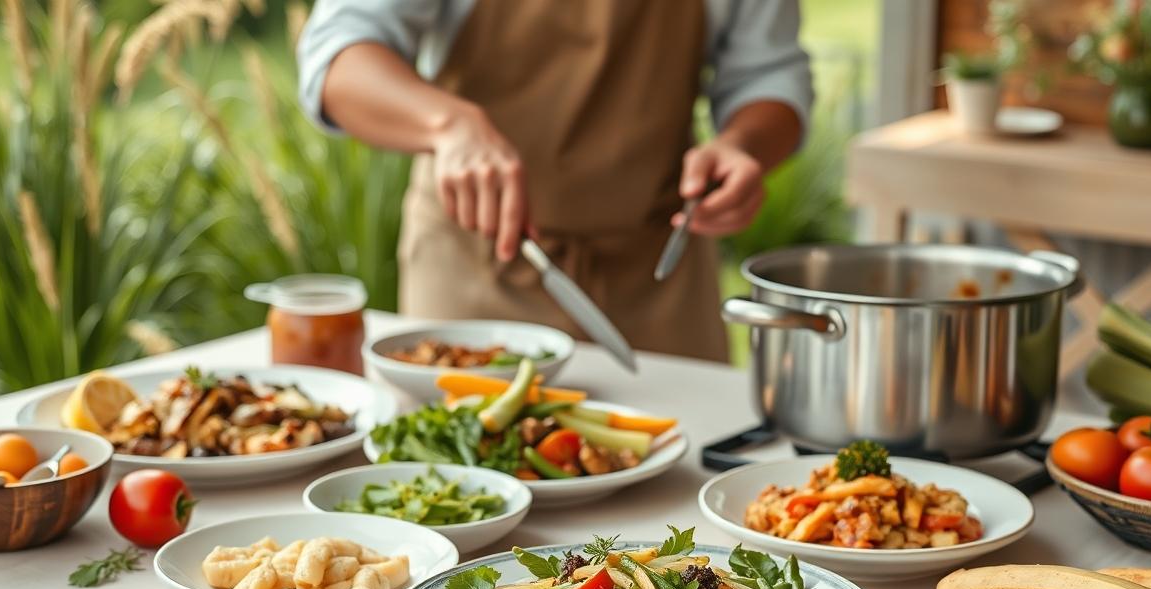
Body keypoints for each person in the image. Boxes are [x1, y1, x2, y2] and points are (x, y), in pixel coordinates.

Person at [299, 0, 812, 362]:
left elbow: (770, 75)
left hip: (660, 279)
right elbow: (338, 58)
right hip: (475, 271)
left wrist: (744, 144)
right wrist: (447, 125)